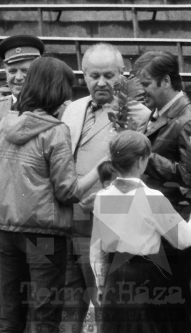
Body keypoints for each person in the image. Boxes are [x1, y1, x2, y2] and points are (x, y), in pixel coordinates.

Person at [0, 57, 101, 333]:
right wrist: (100, 169)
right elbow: (67, 191)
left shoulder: (3, 126)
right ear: (57, 90)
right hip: (45, 235)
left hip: (6, 231)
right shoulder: (55, 131)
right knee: (44, 315)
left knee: (9, 315)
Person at [60, 43, 150, 332]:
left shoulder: (139, 115)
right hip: (66, 219)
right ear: (83, 75)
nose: (101, 82)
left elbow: (141, 171)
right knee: (66, 303)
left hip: (106, 221)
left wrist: (105, 195)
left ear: (121, 75)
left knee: (104, 302)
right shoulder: (72, 109)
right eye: (94, 75)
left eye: (109, 75)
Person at [91, 130, 191, 332]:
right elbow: (183, 239)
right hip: (144, 278)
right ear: (139, 161)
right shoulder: (153, 198)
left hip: (113, 275)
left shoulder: (102, 196)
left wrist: (101, 283)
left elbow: (96, 247)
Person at [0, 34, 44, 333]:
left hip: (41, 221)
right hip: (4, 220)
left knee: (39, 302)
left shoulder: (60, 107)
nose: (18, 77)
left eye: (26, 69)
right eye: (12, 70)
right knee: (3, 306)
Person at [133, 50, 191, 326]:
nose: (141, 91)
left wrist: (143, 153)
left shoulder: (187, 119)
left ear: (166, 81)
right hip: (154, 229)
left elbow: (188, 178)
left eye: (145, 84)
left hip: (174, 232)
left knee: (173, 314)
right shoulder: (156, 115)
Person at [0, 34, 45, 121]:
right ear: (6, 73)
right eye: (12, 71)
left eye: (25, 71)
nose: (18, 77)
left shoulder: (54, 106)